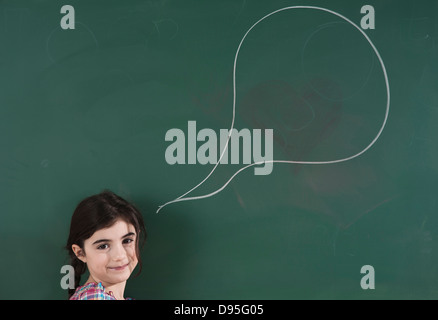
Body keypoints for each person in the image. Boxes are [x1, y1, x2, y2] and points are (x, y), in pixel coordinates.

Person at [66, 190, 146, 300]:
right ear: (80, 253)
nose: (119, 255)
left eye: (127, 240)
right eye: (103, 246)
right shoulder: (95, 298)